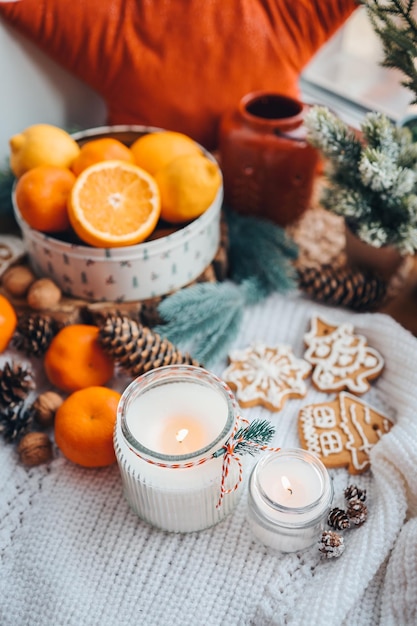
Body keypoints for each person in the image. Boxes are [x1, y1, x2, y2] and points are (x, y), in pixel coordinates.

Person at [0, 0, 357, 150]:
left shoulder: (281, 18)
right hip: (152, 174)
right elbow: (35, 14)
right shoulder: (116, 27)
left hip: (271, 170)